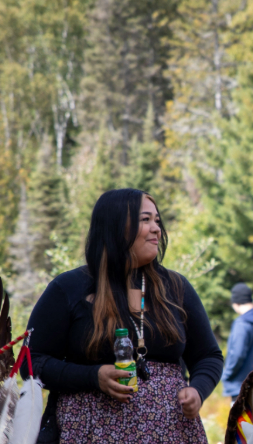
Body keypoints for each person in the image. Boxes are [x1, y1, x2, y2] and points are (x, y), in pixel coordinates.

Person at [27, 188, 223, 443]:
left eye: (157, 221)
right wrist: (93, 376)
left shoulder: (175, 287)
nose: (156, 229)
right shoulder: (69, 288)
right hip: (89, 433)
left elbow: (208, 356)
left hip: (172, 433)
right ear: (115, 226)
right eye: (145, 220)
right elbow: (31, 362)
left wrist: (198, 389)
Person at [221, 283, 253, 402]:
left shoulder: (241, 324)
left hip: (242, 387)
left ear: (236, 303)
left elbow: (237, 355)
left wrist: (226, 374)